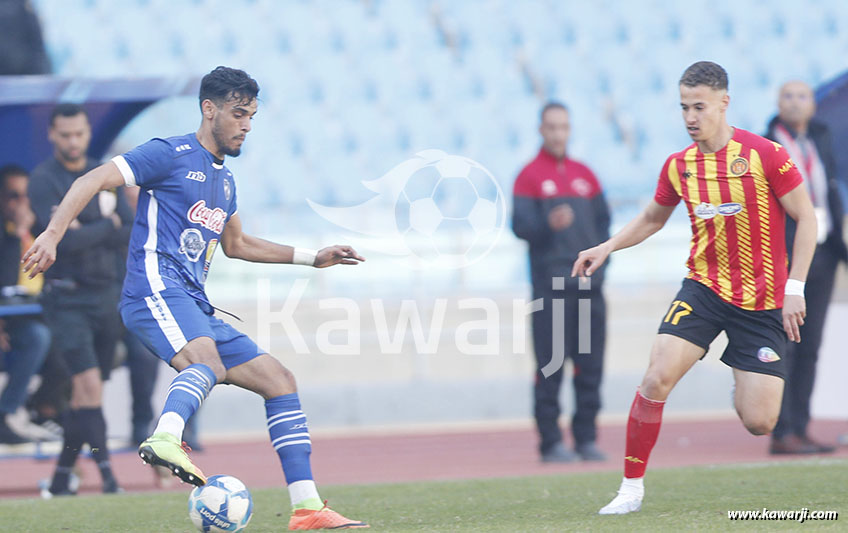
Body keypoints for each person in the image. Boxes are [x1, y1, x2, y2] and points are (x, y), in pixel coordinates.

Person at [24, 66, 368, 530]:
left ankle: (308, 508)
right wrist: (52, 233)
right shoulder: (167, 153)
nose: (247, 124)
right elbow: (91, 180)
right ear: (210, 110)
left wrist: (313, 257)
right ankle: (166, 437)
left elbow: (239, 245)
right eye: (238, 113)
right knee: (206, 360)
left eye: (251, 116)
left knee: (279, 380)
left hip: (192, 300)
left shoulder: (225, 182)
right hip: (153, 289)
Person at [572, 61, 817, 515]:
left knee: (761, 422)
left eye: (699, 107)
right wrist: (607, 247)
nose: (689, 117)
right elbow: (652, 218)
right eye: (683, 107)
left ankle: (742, 375)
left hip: (763, 301)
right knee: (656, 376)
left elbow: (807, 218)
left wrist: (795, 287)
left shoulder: (766, 155)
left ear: (724, 103)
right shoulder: (679, 165)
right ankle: (631, 488)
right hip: (703, 290)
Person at [29, 103, 133, 496]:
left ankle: (59, 480)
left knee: (87, 394)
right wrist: (105, 222)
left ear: (88, 133)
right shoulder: (44, 180)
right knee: (88, 386)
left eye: (79, 134)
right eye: (65, 134)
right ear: (53, 135)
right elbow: (64, 243)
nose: (73, 141)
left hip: (106, 296)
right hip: (67, 298)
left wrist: (90, 226)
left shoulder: (102, 174)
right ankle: (109, 479)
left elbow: (127, 231)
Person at [512, 102, 610, 462]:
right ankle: (551, 441)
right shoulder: (529, 177)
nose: (557, 134)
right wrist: (546, 225)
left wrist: (602, 270)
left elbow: (604, 228)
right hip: (551, 290)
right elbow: (519, 227)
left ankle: (586, 438)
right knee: (551, 368)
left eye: (563, 127)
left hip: (589, 290)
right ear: (541, 130)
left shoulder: (586, 176)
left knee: (590, 366)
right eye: (551, 127)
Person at [765, 80, 847, 455]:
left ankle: (801, 425)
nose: (796, 103)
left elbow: (829, 191)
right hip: (787, 254)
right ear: (779, 104)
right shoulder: (768, 146)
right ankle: (781, 430)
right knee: (788, 343)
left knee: (811, 344)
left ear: (813, 104)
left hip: (824, 251)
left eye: (802, 96)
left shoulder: (820, 138)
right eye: (788, 97)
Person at [0, 164, 51, 444]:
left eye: (25, 196)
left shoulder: (41, 229)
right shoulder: (8, 233)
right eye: (13, 196)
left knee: (48, 337)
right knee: (36, 337)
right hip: (7, 321)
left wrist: (25, 231)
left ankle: (43, 411)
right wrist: (16, 233)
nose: (21, 203)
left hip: (29, 317)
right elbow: (7, 282)